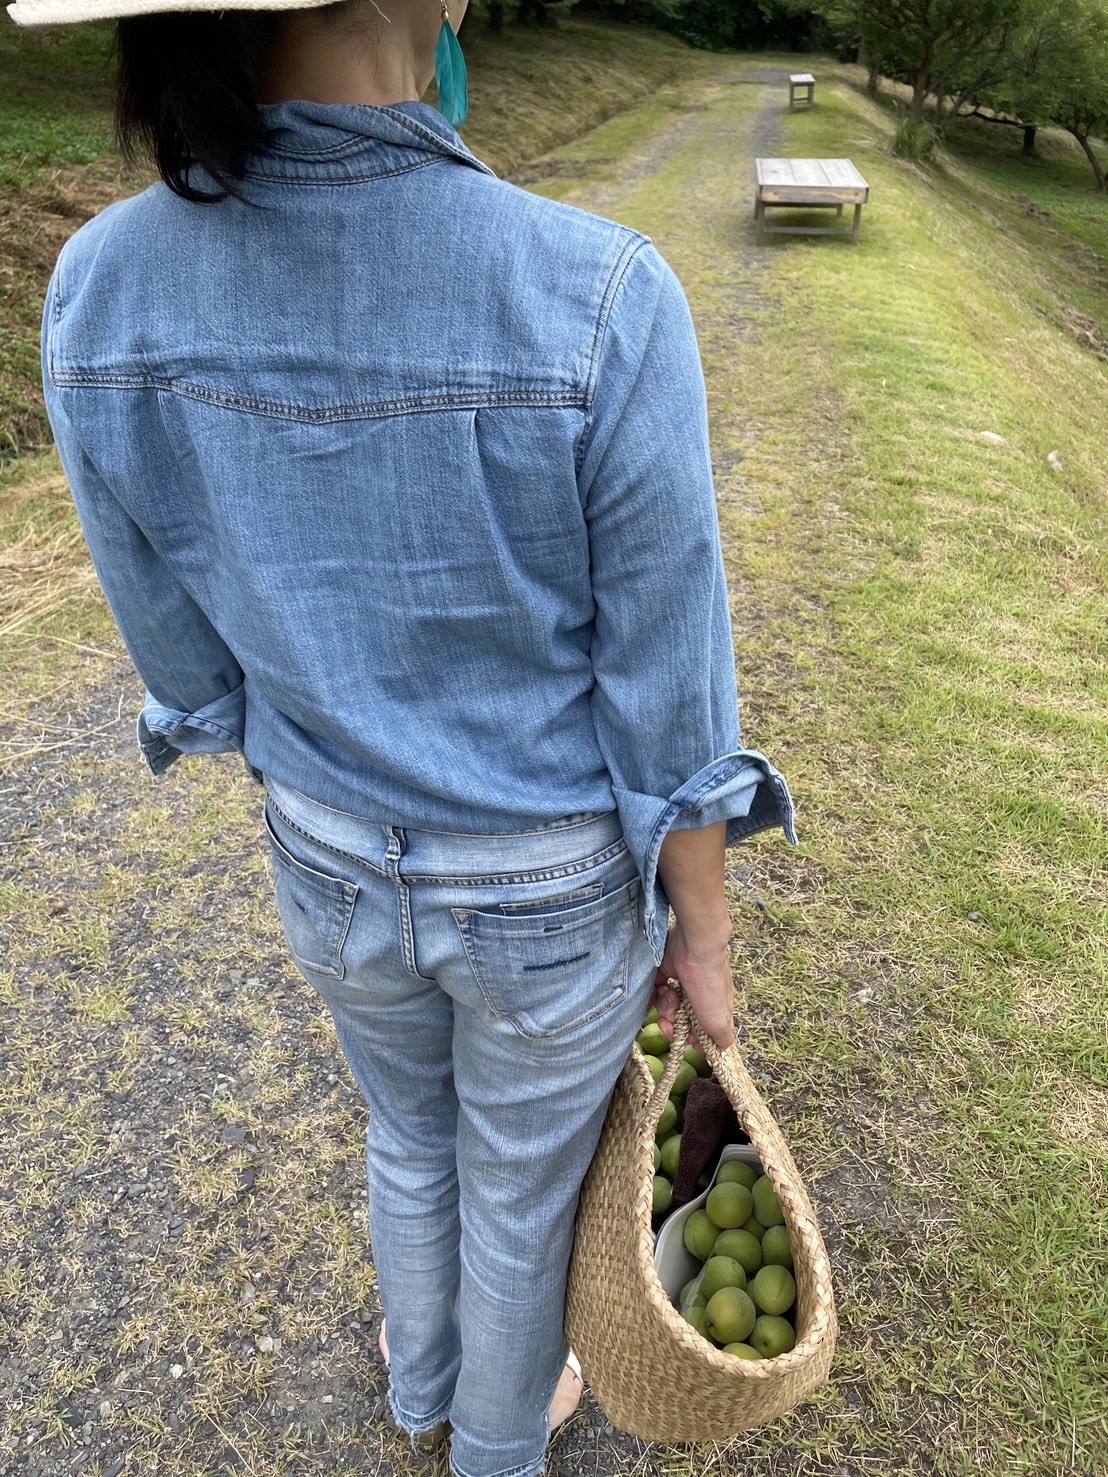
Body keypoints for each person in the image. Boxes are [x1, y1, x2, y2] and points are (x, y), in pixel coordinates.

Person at [10, 0, 796, 1472]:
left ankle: (421, 1383)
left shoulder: (99, 285)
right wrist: (702, 932)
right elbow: (671, 704)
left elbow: (181, 656)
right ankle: (493, 1443)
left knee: (408, 1133)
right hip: (551, 890)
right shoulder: (599, 293)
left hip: (323, 856)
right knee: (520, 1187)